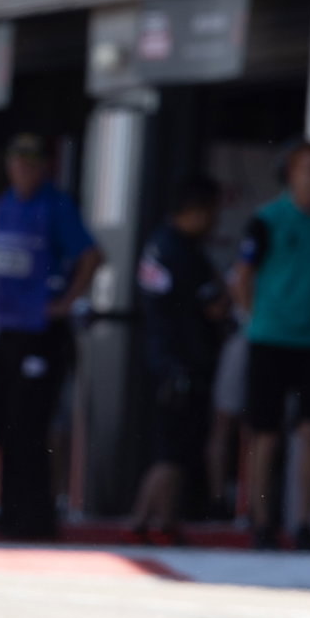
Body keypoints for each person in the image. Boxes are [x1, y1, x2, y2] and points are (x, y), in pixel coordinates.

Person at [0, 133, 101, 540]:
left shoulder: (55, 205)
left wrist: (65, 302)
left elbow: (90, 255)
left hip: (41, 331)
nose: (24, 169)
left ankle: (36, 517)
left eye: (32, 162)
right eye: (17, 161)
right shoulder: (3, 207)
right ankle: (11, 510)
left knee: (31, 424)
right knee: (5, 423)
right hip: (7, 329)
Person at [231, 141, 310, 551]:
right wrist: (251, 317)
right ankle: (261, 520)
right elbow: (243, 274)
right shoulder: (267, 219)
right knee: (265, 433)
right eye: (307, 169)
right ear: (290, 174)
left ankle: (304, 522)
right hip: (269, 337)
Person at [128, 177, 227, 545]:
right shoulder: (183, 252)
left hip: (163, 356)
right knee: (172, 448)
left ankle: (164, 519)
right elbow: (215, 305)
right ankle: (143, 518)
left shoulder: (159, 242)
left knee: (176, 445)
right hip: (180, 362)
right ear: (198, 212)